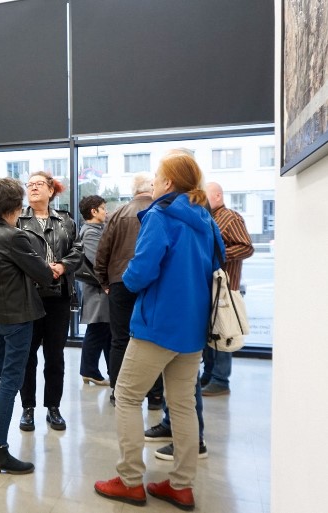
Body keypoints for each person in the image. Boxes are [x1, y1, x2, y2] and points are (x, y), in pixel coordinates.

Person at [94, 151, 224, 511]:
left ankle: (130, 481)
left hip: (157, 325)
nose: (153, 182)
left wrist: (130, 273)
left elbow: (139, 274)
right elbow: (218, 261)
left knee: (126, 396)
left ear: (168, 182)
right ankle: (181, 486)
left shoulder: (161, 215)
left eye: (156, 176)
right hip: (193, 328)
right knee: (183, 404)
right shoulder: (205, 217)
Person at [0, 177, 54, 475]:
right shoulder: (14, 236)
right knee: (10, 382)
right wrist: (48, 267)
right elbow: (44, 275)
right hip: (17, 317)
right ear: (13, 208)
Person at [16, 171, 79, 432]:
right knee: (27, 355)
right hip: (29, 297)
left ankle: (53, 407)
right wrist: (41, 269)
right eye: (30, 184)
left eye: (39, 184)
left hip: (58, 297)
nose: (33, 188)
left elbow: (78, 250)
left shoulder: (65, 220)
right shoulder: (18, 220)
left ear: (51, 191)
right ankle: (27, 408)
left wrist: (62, 266)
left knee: (55, 356)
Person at [94, 173, 154, 406]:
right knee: (154, 340)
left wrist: (105, 282)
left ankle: (117, 392)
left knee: (119, 339)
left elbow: (103, 251)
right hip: (152, 284)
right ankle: (156, 395)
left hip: (120, 282)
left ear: (134, 190)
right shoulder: (160, 211)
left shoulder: (118, 213)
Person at [201, 181, 254, 396]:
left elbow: (247, 247)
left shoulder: (231, 218)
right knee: (211, 331)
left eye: (205, 196)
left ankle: (221, 380)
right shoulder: (208, 218)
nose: (202, 201)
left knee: (224, 331)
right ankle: (209, 374)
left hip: (226, 287)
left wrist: (220, 255)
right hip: (211, 286)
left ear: (218, 196)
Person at [77, 195, 111, 387]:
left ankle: (105, 370)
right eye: (103, 208)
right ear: (94, 211)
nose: (106, 212)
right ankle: (89, 370)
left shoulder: (98, 229)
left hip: (100, 288)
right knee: (98, 328)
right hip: (98, 289)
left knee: (105, 329)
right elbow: (99, 261)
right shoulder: (90, 233)